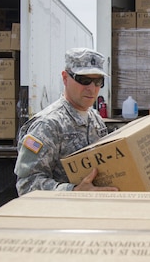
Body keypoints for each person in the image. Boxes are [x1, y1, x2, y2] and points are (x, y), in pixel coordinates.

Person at [14, 47, 119, 196]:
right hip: (62, 215)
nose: (92, 88)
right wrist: (73, 191)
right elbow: (26, 185)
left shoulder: (95, 120)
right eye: (84, 80)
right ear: (65, 78)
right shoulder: (48, 125)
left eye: (98, 81)